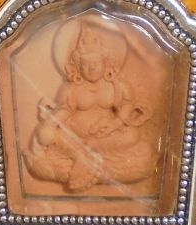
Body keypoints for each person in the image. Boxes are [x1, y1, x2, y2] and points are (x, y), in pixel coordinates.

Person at [25, 19, 155, 193]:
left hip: (104, 136)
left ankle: (87, 155)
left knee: (132, 136)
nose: (92, 68)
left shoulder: (115, 86)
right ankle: (80, 156)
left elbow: (126, 105)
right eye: (86, 64)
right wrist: (51, 122)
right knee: (45, 134)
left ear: (106, 63)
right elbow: (65, 110)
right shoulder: (71, 88)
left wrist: (114, 124)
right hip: (76, 134)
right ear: (78, 67)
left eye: (96, 63)